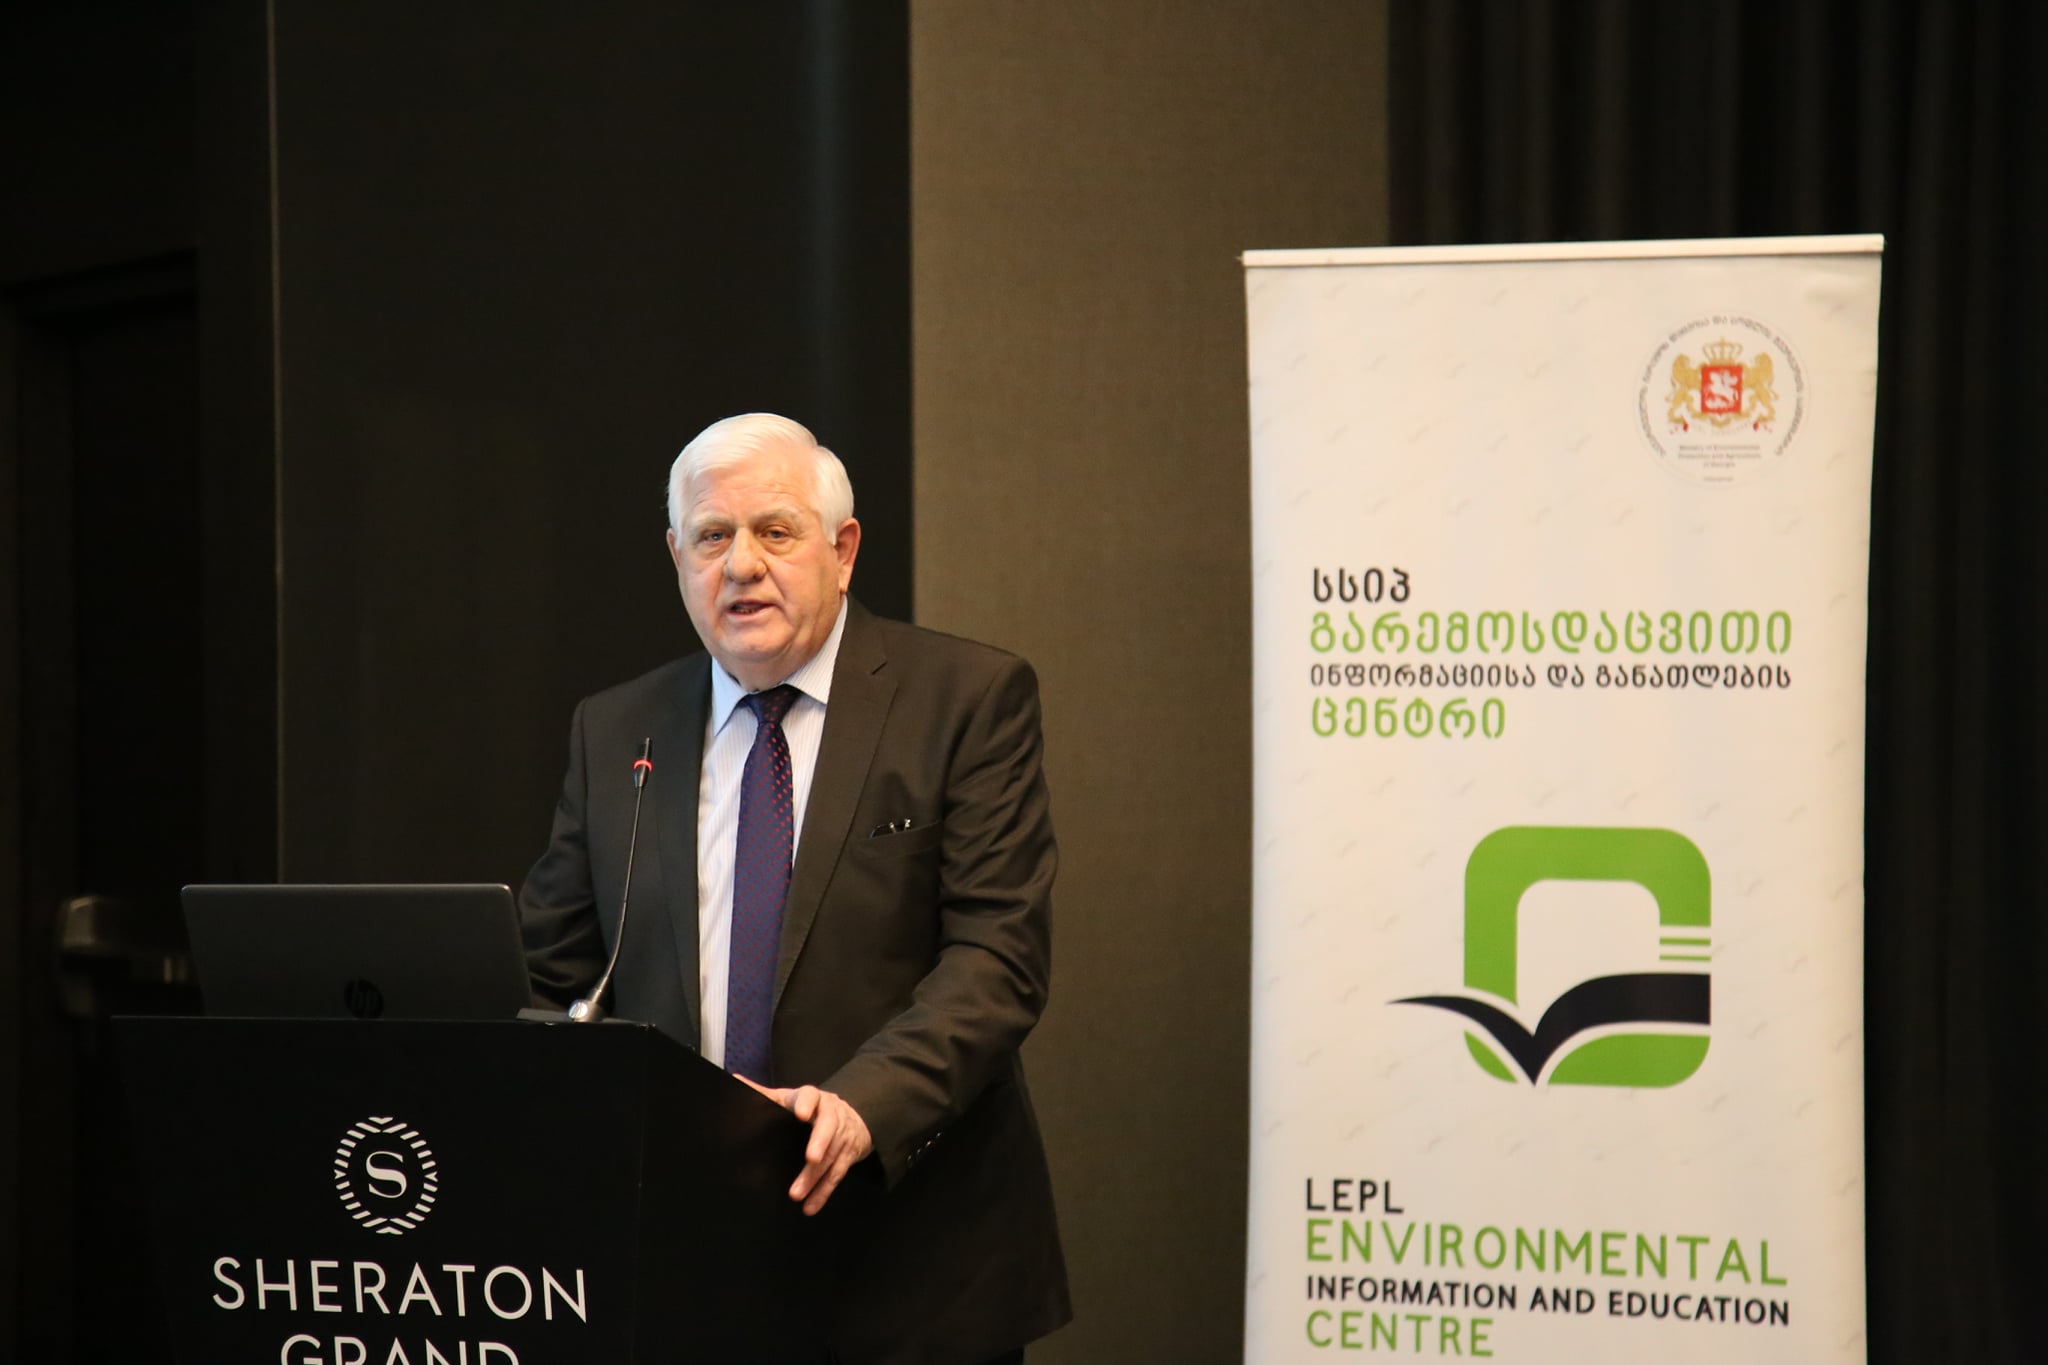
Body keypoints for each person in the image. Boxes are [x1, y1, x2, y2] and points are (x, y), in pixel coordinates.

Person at [519, 413, 1068, 1365]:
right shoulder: (616, 730)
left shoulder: (966, 699)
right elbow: (551, 969)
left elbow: (998, 959)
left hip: (912, 1267)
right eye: (711, 537)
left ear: (842, 550)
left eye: (775, 531)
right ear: (677, 557)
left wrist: (859, 1105)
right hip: (681, 1267)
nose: (742, 565)